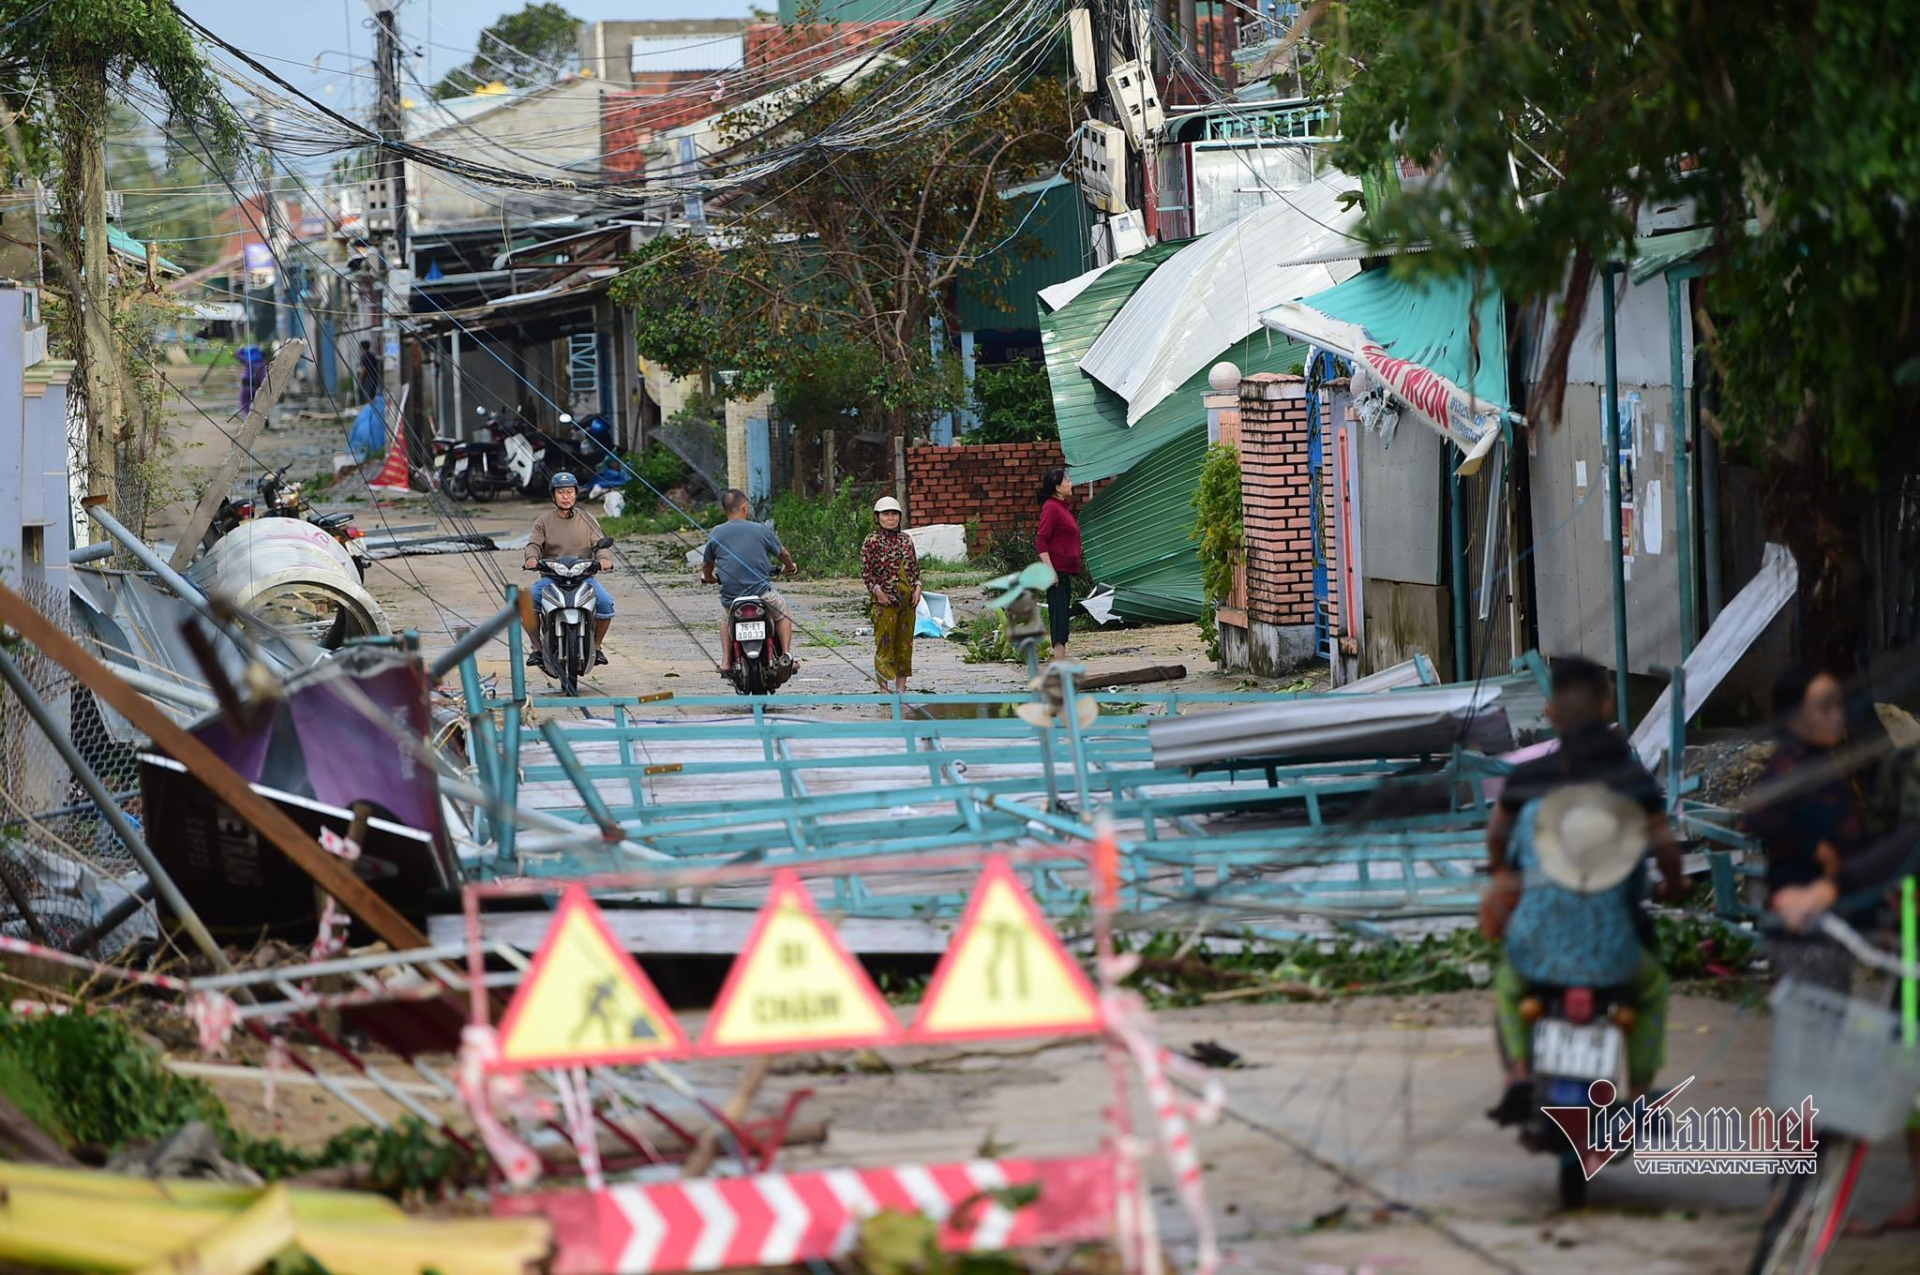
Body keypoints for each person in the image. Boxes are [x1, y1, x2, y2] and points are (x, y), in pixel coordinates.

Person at [1750, 669, 1920, 1234]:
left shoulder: (1825, 772)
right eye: (1823, 706)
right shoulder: (1793, 771)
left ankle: (1798, 1199)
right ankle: (1791, 1199)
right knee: (1812, 1072)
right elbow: (1761, 815)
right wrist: (1818, 856)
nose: (1837, 716)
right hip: (1809, 937)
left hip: (1838, 931)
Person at [1483, 656, 1687, 1125]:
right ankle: (1637, 1094)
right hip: (1613, 951)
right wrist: (1674, 885)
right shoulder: (1630, 781)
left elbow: (1496, 836)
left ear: (1551, 714)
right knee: (1651, 989)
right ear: (1605, 706)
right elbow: (1667, 851)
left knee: (1510, 987)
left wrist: (1502, 874)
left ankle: (1517, 1073)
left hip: (1537, 946)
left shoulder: (1529, 779)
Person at [522, 472, 613, 671]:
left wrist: (604, 559)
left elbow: (600, 544)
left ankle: (596, 647)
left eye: (569, 492)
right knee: (526, 603)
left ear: (576, 494)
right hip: (552, 578)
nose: (566, 496)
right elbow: (534, 544)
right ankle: (536, 648)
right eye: (561, 492)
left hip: (583, 577)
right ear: (553, 496)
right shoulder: (543, 521)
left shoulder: (588, 519)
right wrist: (531, 558)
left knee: (606, 603)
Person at [702, 489, 796, 669]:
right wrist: (790, 567)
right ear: (745, 508)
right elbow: (783, 554)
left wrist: (709, 578)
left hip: (732, 597)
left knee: (725, 619)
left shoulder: (716, 532)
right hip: (762, 594)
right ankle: (786, 656)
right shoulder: (760, 529)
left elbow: (707, 565)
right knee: (783, 613)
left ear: (725, 510)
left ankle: (726, 661)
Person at [862, 496, 920, 695]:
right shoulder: (872, 541)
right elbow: (867, 572)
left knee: (904, 645)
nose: (890, 518)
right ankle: (884, 690)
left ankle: (901, 690)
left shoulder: (906, 540)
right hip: (884, 601)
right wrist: (878, 592)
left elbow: (915, 569)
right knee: (885, 644)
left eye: (894, 514)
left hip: (907, 601)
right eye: (886, 514)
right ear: (877, 517)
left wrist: (918, 588)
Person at [1033, 466, 1082, 653]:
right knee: (1059, 620)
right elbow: (1041, 539)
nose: (1071, 483)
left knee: (1063, 620)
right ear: (1057, 487)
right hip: (1056, 573)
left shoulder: (1061, 508)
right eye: (1067, 481)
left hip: (1065, 572)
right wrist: (1050, 570)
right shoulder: (1051, 508)